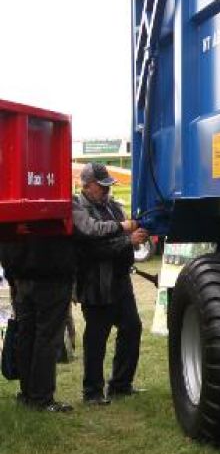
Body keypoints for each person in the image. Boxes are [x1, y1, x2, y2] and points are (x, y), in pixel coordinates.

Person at [72, 162, 149, 405]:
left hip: (120, 281)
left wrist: (133, 238)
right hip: (95, 284)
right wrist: (127, 239)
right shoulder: (77, 207)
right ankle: (92, 392)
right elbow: (93, 247)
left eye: (107, 185)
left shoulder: (113, 206)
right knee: (96, 338)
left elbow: (120, 237)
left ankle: (121, 385)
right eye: (101, 186)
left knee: (132, 328)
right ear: (87, 185)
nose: (106, 190)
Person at [0, 233, 75, 413]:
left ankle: (28, 393)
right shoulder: (51, 215)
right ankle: (41, 397)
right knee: (46, 338)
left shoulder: (14, 215)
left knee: (27, 335)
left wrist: (12, 277)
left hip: (21, 276)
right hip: (51, 277)